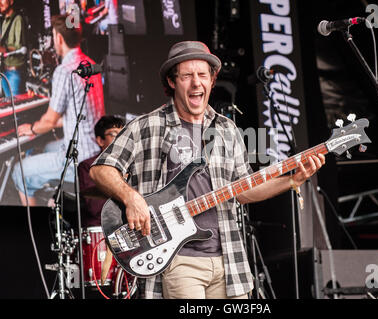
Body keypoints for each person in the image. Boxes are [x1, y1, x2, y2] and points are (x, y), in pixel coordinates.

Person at [89, 41, 325, 299]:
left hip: (229, 259)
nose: (196, 83)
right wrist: (131, 197)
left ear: (212, 81)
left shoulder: (227, 129)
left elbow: (244, 189)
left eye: (202, 75)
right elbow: (101, 169)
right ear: (171, 81)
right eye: (187, 76)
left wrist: (291, 181)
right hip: (180, 261)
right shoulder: (147, 126)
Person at [12, 14, 104, 206]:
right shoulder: (90, 64)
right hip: (97, 150)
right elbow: (79, 112)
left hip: (78, 160)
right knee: (45, 147)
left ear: (59, 39)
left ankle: (37, 230)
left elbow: (50, 121)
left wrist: (32, 128)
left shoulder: (65, 70)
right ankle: (56, 198)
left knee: (19, 171)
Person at [78, 115, 125, 227]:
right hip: (100, 229)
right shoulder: (87, 166)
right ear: (100, 141)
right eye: (114, 134)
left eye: (122, 134)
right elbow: (94, 207)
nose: (120, 138)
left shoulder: (129, 166)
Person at [0, 0, 26, 97]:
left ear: (11, 1)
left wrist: (1, 49)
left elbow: (19, 48)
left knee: (17, 108)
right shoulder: (4, 22)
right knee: (9, 107)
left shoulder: (18, 19)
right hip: (5, 71)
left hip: (14, 72)